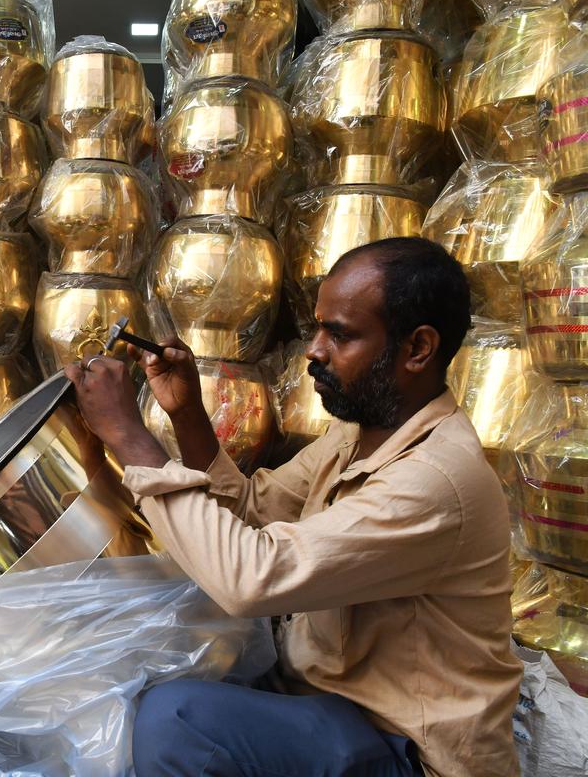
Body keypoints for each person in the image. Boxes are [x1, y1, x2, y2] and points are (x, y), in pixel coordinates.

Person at [67, 238, 521, 777]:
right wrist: (188, 416)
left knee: (176, 721)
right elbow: (255, 511)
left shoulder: (436, 479)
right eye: (317, 328)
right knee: (142, 658)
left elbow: (251, 580)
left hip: (407, 753)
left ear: (417, 349)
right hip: (332, 714)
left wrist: (128, 435)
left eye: (341, 334)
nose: (314, 350)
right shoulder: (358, 434)